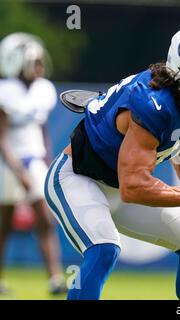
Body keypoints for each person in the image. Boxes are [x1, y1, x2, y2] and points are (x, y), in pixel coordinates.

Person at [44, 24, 180, 300]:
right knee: (103, 249)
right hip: (78, 178)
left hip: (121, 186)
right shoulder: (153, 104)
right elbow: (133, 187)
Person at [0, 32, 67, 294]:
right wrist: (19, 171)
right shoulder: (6, 91)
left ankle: (55, 278)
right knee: (3, 225)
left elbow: (41, 130)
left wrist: (46, 159)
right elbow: (2, 138)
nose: (39, 68)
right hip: (8, 164)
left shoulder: (43, 90)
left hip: (34, 160)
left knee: (45, 219)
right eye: (33, 63)